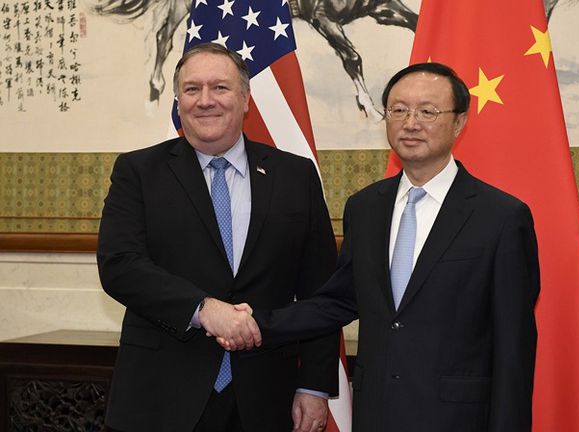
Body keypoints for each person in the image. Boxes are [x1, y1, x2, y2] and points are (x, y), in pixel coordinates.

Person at [231, 62, 540, 431]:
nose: (411, 123)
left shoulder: (501, 217)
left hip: (458, 419)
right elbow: (338, 301)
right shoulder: (365, 208)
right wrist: (254, 322)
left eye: (427, 112)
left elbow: (514, 349)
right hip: (377, 413)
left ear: (459, 122)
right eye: (398, 110)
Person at [97, 42, 339, 432]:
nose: (205, 100)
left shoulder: (295, 176)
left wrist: (313, 384)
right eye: (192, 89)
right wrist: (203, 309)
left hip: (268, 396)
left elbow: (321, 290)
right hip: (162, 394)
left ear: (245, 98)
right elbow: (120, 266)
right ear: (178, 102)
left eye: (220, 88)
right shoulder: (138, 172)